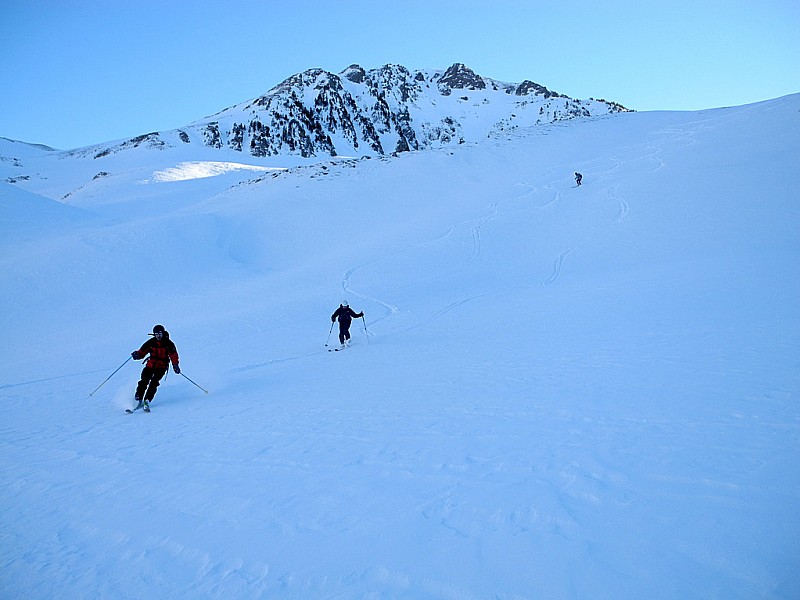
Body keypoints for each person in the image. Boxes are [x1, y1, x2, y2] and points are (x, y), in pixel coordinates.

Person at [130, 324, 180, 411]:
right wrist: (137, 355)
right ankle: (138, 398)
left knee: (154, 382)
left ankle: (147, 400)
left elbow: (173, 355)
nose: (158, 336)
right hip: (151, 364)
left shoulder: (169, 344)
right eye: (156, 334)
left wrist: (175, 366)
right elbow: (142, 352)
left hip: (162, 366)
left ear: (163, 333)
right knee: (144, 380)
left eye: (160, 334)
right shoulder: (151, 342)